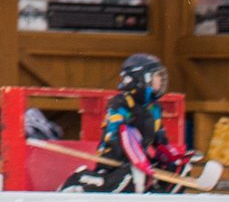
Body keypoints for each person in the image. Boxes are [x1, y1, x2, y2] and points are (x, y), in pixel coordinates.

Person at [62, 53, 196, 193]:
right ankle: (81, 178)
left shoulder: (154, 108)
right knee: (129, 177)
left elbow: (160, 141)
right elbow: (115, 134)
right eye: (157, 76)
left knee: (176, 169)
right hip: (114, 162)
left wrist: (173, 160)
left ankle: (158, 195)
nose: (161, 81)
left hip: (140, 160)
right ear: (142, 78)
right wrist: (130, 160)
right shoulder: (121, 103)